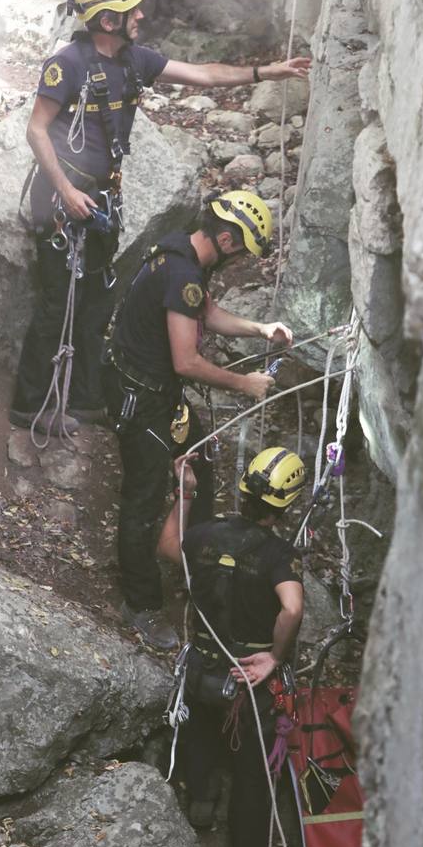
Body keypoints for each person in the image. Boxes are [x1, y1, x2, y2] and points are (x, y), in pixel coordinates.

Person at [9, 0, 310, 435]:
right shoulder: (67, 65)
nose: (141, 15)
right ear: (108, 19)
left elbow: (204, 75)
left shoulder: (134, 61)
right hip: (62, 200)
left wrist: (267, 72)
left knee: (97, 300)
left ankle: (85, 401)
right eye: (132, 9)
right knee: (55, 303)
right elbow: (36, 130)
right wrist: (65, 191)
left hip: (100, 198)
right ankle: (28, 406)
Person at [102, 188, 295, 648]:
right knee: (143, 499)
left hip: (154, 391)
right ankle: (142, 604)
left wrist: (259, 329)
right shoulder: (183, 273)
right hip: (143, 399)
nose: (238, 260)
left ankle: (198, 559)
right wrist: (244, 384)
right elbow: (186, 362)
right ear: (226, 241)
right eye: (241, 252)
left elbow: (204, 310)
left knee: (200, 459)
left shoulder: (181, 248)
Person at [156, 446, 305, 847]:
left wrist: (185, 493)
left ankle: (201, 807)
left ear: (243, 492)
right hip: (249, 682)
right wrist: (274, 657)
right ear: (285, 506)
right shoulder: (279, 555)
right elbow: (292, 608)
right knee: (254, 775)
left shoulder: (205, 535)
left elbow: (167, 546)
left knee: (201, 736)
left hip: (202, 670)